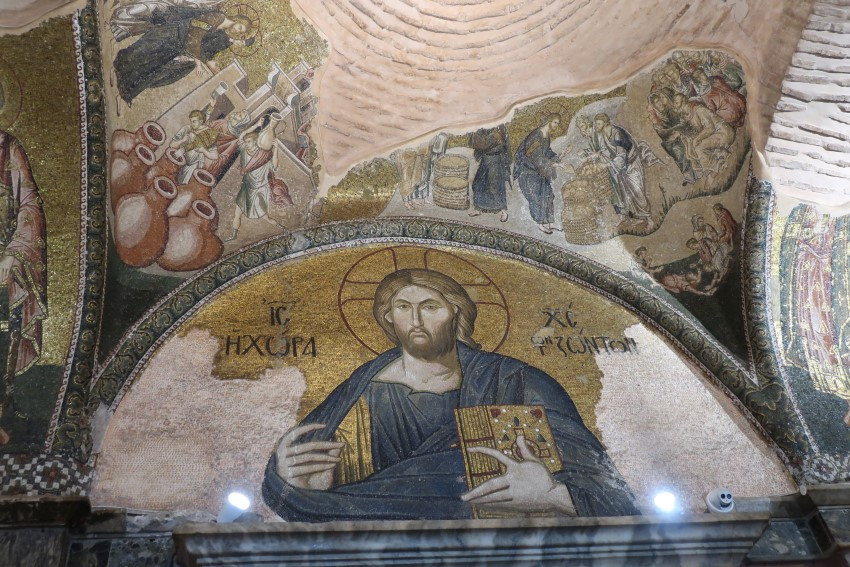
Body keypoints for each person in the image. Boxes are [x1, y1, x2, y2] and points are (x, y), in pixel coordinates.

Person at [262, 268, 639, 521]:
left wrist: (554, 496)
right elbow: (296, 493)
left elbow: (612, 498)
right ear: (388, 317)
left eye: (430, 307)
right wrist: (292, 482)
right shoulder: (358, 391)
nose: (415, 320)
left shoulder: (516, 383)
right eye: (403, 308)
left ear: (456, 314)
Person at [0, 127, 47, 442]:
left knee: (6, 332)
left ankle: (2, 407)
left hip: (3, 263)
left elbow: (30, 205)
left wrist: (12, 254)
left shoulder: (7, 148)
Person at [113, 9, 254, 105]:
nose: (237, 31)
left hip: (179, 46)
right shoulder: (216, 17)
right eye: (240, 27)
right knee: (142, 52)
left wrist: (203, 60)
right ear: (238, 20)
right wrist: (201, 62)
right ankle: (118, 67)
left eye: (240, 32)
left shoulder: (222, 31)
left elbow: (202, 45)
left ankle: (126, 88)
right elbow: (194, 37)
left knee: (153, 66)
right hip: (174, 33)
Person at [228, 118, 290, 241]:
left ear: (256, 142)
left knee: (265, 217)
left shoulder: (264, 158)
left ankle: (284, 229)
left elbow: (275, 166)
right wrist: (256, 125)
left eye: (249, 142)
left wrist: (276, 149)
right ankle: (233, 235)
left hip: (258, 191)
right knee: (237, 212)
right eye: (246, 142)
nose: (246, 144)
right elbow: (242, 136)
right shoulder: (244, 151)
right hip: (246, 188)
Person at [591, 113, 655, 228]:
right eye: (596, 124)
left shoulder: (617, 133)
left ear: (605, 123)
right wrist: (599, 154)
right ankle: (637, 217)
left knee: (637, 192)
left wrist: (607, 164)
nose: (597, 126)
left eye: (599, 124)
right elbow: (610, 151)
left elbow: (621, 155)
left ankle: (649, 219)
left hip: (631, 163)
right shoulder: (605, 134)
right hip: (622, 167)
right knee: (626, 193)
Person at [514, 115, 565, 234]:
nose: (556, 125)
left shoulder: (546, 136)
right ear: (549, 121)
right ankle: (540, 224)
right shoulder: (536, 136)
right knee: (536, 198)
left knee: (548, 195)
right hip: (529, 172)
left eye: (557, 123)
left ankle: (551, 223)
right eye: (555, 122)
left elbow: (547, 153)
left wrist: (560, 156)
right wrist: (554, 164)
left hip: (540, 172)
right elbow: (536, 157)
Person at [469, 125, 510, 222]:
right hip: (485, 159)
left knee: (494, 186)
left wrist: (477, 136)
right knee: (478, 184)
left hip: (495, 160)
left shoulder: (499, 128)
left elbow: (483, 144)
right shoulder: (484, 127)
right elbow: (476, 142)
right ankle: (479, 208)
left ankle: (503, 211)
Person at [170, 107, 220, 184]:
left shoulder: (209, 135)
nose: (192, 124)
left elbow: (215, 156)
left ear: (201, 121)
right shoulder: (186, 129)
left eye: (194, 121)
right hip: (178, 160)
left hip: (192, 167)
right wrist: (182, 140)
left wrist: (203, 150)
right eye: (191, 121)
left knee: (182, 185)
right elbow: (172, 145)